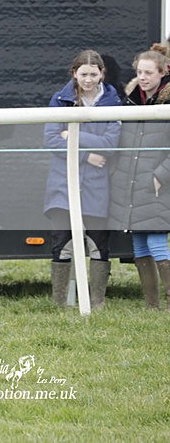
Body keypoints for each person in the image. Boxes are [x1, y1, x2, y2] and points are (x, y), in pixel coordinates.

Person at [42, 50, 121, 308]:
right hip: (63, 183)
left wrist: (72, 135)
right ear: (74, 73)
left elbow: (111, 144)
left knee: (98, 243)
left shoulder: (113, 102)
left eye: (93, 74)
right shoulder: (60, 99)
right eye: (83, 74)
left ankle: (97, 302)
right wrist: (87, 156)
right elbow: (51, 140)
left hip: (97, 185)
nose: (88, 80)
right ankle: (60, 304)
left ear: (102, 74)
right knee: (61, 243)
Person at [109, 43, 170, 310]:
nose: (143, 78)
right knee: (139, 244)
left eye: (149, 73)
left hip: (158, 183)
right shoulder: (131, 100)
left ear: (163, 72)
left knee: (156, 241)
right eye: (139, 72)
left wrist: (161, 175)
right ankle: (151, 305)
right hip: (131, 181)